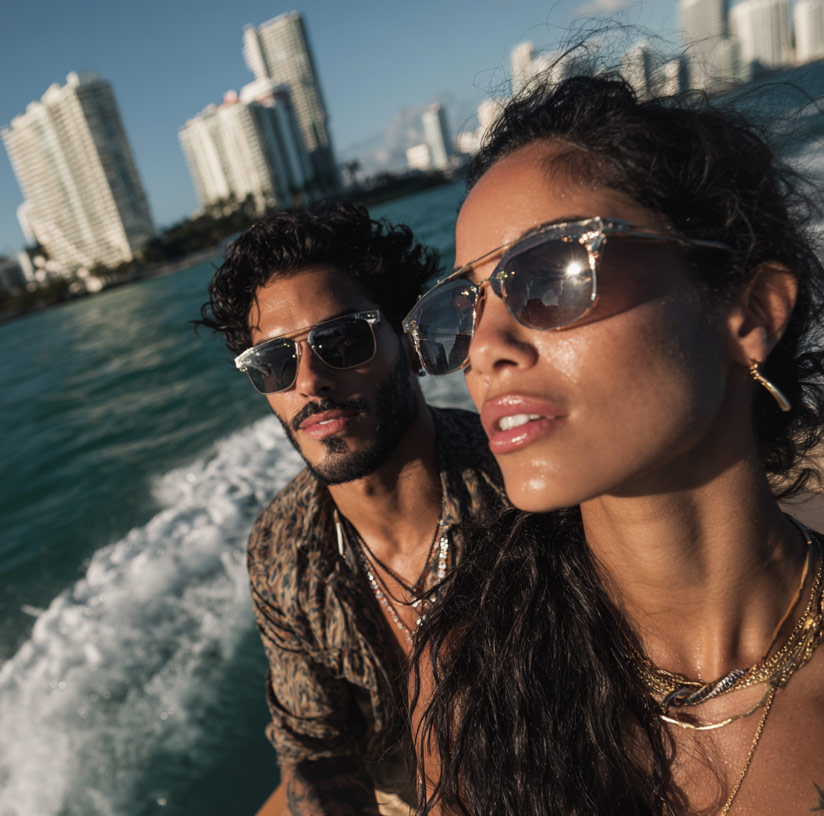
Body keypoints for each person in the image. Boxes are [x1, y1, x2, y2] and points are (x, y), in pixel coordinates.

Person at [402, 75, 824, 815]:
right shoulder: (472, 678)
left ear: (751, 311)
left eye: (549, 274)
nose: (484, 348)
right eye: (464, 308)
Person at [196, 203, 506, 815]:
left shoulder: (516, 491)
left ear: (410, 342)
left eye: (341, 340)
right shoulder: (283, 548)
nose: (309, 380)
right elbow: (316, 746)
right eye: (274, 362)